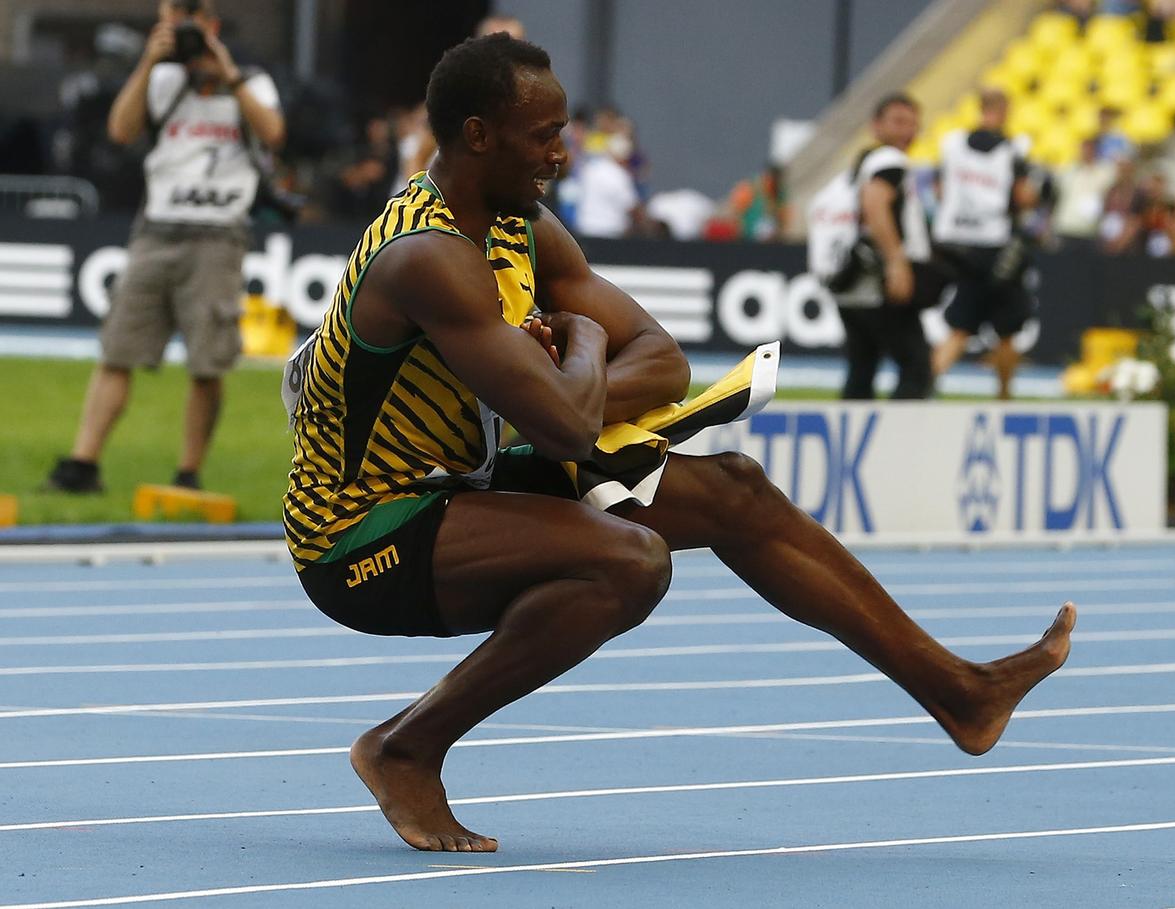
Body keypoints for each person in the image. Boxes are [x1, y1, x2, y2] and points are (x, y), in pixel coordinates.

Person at [283, 33, 1075, 854]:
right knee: (626, 560)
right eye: (543, 135)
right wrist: (584, 343)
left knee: (734, 488)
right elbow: (564, 422)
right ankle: (406, 746)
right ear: (478, 136)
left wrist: (570, 380)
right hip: (359, 532)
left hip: (457, 480)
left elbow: (663, 360)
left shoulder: (524, 225)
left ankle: (961, 692)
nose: (562, 152)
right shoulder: (428, 257)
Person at [46, 0, 284, 493]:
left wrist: (227, 72)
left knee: (207, 362)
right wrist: (148, 62)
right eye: (172, 21)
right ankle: (82, 464)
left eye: (191, 22)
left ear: (213, 25)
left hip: (218, 232)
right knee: (117, 350)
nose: (183, 32)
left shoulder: (251, 81)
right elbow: (120, 130)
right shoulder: (160, 79)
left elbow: (274, 134)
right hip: (155, 227)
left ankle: (188, 472)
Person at [807, 93, 936, 400]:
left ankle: (853, 443)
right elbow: (875, 204)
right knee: (916, 369)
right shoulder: (889, 161)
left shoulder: (853, 171)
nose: (907, 131)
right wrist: (896, 262)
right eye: (899, 122)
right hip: (877, 285)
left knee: (861, 370)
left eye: (913, 124)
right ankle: (901, 442)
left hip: (847, 285)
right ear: (876, 126)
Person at [930, 89, 1038, 401]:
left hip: (956, 243)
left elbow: (938, 190)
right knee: (1006, 331)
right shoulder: (1012, 149)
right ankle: (1004, 398)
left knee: (961, 327)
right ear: (1003, 110)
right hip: (996, 246)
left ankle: (924, 389)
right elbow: (1022, 196)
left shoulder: (953, 144)